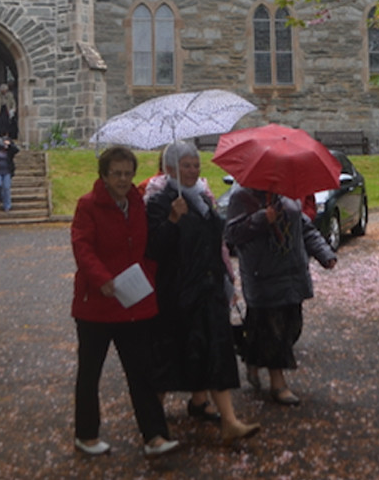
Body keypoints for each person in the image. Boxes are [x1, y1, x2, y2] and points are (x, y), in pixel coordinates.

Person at [69, 146, 181, 458]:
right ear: (103, 175)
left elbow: (149, 247)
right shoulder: (88, 205)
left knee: (142, 372)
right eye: (116, 173)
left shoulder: (137, 203)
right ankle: (86, 435)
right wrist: (101, 278)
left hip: (133, 303)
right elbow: (82, 246)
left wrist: (172, 220)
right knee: (90, 373)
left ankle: (155, 436)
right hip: (97, 304)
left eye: (127, 173)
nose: (122, 179)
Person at [144, 141, 259, 443]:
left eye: (196, 164)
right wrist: (171, 220)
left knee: (216, 353)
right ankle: (151, 421)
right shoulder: (160, 201)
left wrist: (224, 280)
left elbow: (214, 243)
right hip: (178, 293)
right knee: (170, 357)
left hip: (209, 290)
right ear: (170, 169)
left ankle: (229, 421)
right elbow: (153, 248)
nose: (193, 170)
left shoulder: (203, 199)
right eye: (186, 165)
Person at [224, 184, 337, 406]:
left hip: (291, 271)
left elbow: (303, 227)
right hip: (263, 274)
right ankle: (278, 384)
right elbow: (232, 234)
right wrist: (262, 218)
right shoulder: (242, 196)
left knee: (291, 326)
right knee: (274, 330)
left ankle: (252, 360)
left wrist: (324, 253)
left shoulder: (288, 194)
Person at [0, 137, 20, 213]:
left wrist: (10, 145)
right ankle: (1, 197)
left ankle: (7, 206)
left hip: (7, 171)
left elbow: (16, 150)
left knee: (6, 188)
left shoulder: (10, 151)